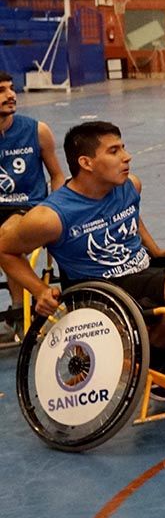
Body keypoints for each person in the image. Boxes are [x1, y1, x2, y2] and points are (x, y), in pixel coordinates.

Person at [0, 121, 165, 386]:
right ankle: (155, 368)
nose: (126, 157)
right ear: (86, 162)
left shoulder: (129, 186)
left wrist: (155, 250)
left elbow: (131, 216)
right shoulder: (51, 217)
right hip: (102, 288)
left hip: (139, 270)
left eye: (123, 148)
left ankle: (162, 361)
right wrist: (39, 290)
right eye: (114, 151)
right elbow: (5, 250)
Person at [0, 71, 66, 336]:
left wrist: (55, 208)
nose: (11, 95)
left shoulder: (36, 130)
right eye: (1, 90)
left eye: (11, 88)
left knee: (5, 237)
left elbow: (58, 175)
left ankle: (22, 307)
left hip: (27, 206)